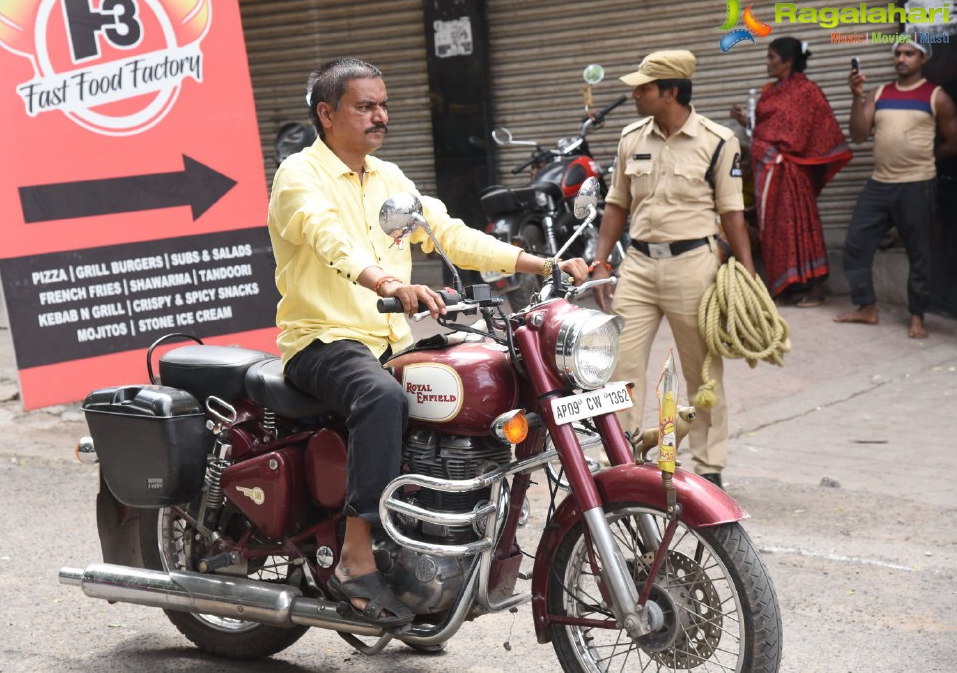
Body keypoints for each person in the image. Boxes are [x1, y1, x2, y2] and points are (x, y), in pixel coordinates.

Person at [267, 57, 587, 628]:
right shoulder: (300, 175)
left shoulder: (390, 180)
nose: (379, 115)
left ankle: (444, 537)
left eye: (383, 105)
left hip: (393, 337)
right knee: (382, 399)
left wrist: (542, 263)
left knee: (488, 376)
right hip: (326, 339)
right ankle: (356, 555)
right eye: (365, 106)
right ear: (326, 113)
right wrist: (388, 281)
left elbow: (451, 236)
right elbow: (328, 237)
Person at [591, 50, 756, 490]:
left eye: (644, 87)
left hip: (695, 265)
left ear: (671, 92)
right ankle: (624, 459)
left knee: (703, 370)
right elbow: (615, 205)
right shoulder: (631, 138)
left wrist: (749, 274)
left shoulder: (719, 141)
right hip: (639, 266)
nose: (635, 94)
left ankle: (709, 467)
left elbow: (732, 212)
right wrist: (602, 259)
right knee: (620, 365)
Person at [836, 42, 957, 338]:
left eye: (909, 54)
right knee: (855, 243)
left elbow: (953, 141)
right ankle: (866, 307)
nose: (901, 59)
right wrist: (856, 98)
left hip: (917, 184)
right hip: (880, 184)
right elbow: (859, 134)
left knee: (919, 253)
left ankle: (917, 316)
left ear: (923, 57)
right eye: (897, 53)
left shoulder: (936, 97)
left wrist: (927, 158)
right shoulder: (879, 93)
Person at [730, 37, 852, 306]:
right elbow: (768, 128)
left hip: (791, 174)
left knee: (798, 228)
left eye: (772, 57)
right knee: (774, 230)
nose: (767, 62)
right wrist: (746, 121)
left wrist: (781, 150)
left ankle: (814, 288)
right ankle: (787, 287)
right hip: (769, 172)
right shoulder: (771, 90)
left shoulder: (807, 91)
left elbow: (802, 130)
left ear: (788, 61)